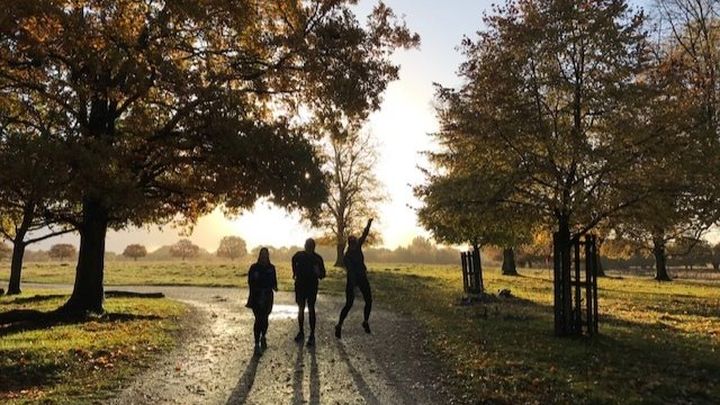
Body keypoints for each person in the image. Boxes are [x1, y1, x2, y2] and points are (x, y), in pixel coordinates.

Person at [335, 218, 374, 339]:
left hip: (362, 278)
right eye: (354, 243)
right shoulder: (347, 256)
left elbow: (364, 235)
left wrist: (368, 224)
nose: (355, 245)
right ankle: (339, 325)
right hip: (352, 281)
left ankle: (365, 322)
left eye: (356, 243)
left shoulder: (358, 247)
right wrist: (354, 287)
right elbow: (351, 272)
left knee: (369, 300)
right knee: (348, 304)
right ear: (350, 244)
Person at [291, 238, 326, 346]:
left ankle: (310, 334)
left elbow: (323, 274)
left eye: (310, 246)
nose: (309, 248)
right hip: (301, 285)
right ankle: (304, 332)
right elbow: (293, 260)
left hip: (310, 286)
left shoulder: (317, 258)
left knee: (309, 309)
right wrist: (295, 272)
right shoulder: (300, 256)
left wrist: (318, 273)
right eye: (308, 246)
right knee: (303, 309)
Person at [246, 247, 277, 355]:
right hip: (257, 296)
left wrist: (275, 287)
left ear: (268, 256)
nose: (264, 257)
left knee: (265, 318)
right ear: (259, 256)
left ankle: (263, 336)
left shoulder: (271, 268)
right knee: (258, 319)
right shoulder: (254, 268)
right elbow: (250, 282)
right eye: (262, 255)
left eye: (266, 255)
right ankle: (256, 343)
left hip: (268, 296)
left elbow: (274, 282)